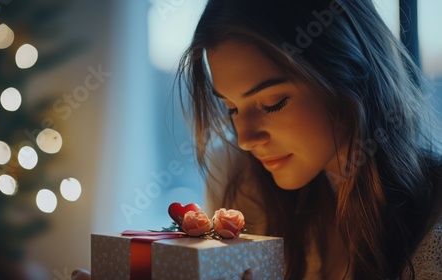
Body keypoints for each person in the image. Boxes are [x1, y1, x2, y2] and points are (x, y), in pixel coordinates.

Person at [73, 0, 442, 279]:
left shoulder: (432, 228)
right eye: (232, 109)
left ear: (352, 73)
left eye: (272, 103)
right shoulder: (244, 188)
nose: (245, 138)